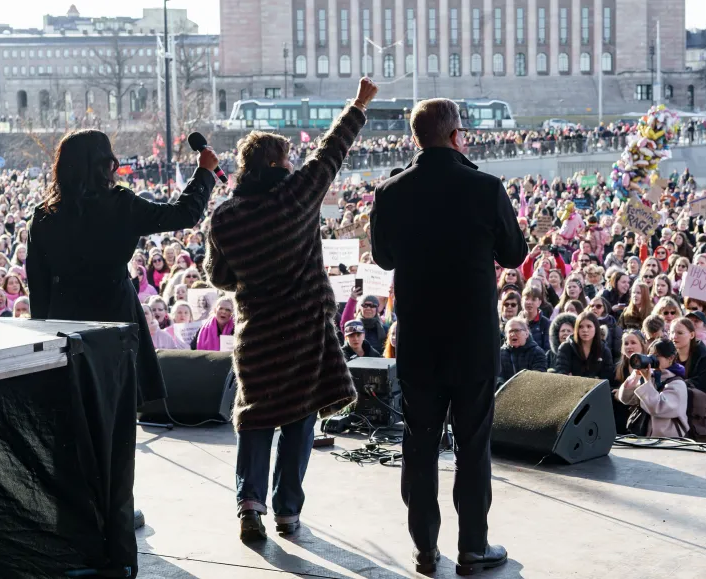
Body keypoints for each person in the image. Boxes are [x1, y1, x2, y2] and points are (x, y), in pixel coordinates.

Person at [204, 78, 376, 543]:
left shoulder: (225, 216)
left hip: (257, 332)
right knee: (300, 415)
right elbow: (330, 153)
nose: (294, 164)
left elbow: (219, 277)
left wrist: (254, 269)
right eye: (287, 159)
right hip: (302, 330)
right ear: (275, 164)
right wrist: (358, 104)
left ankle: (249, 504)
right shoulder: (297, 195)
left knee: (255, 416)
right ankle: (287, 511)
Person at [26, 129, 216, 545]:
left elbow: (36, 286)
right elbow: (183, 214)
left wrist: (45, 337)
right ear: (104, 164)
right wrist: (204, 173)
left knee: (73, 423)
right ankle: (115, 514)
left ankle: (76, 513)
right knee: (116, 426)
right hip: (113, 326)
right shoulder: (120, 205)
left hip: (65, 329)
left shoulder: (43, 216)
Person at [371, 97, 527, 575]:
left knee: (419, 444)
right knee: (472, 446)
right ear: (457, 135)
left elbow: (383, 258)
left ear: (415, 138)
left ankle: (424, 547)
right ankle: (473, 548)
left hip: (419, 341)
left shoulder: (391, 191)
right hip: (472, 341)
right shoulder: (486, 187)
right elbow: (515, 254)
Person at [617, 338, 689, 437]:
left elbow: (658, 408)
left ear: (671, 358)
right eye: (650, 355)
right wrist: (635, 377)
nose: (652, 359)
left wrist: (647, 381)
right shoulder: (652, 377)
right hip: (646, 438)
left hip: (669, 440)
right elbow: (625, 399)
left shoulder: (677, 384)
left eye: (656, 355)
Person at [554, 311, 615, 385]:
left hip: (596, 391)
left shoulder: (604, 350)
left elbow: (607, 380)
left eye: (589, 326)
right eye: (580, 327)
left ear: (596, 328)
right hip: (571, 389)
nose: (585, 330)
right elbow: (561, 376)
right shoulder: (566, 348)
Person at [613, 330, 648, 433]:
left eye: (633, 343)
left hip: (641, 419)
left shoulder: (649, 367)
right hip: (621, 418)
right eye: (626, 343)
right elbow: (611, 387)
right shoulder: (618, 368)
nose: (629, 346)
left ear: (642, 345)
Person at [670, 317, 706, 395]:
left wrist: (677, 384)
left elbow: (704, 386)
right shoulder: (668, 354)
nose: (674, 336)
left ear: (692, 335)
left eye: (680, 333)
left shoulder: (704, 357)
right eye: (672, 332)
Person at [498, 317, 547, 384]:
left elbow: (538, 378)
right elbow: (498, 378)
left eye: (516, 330)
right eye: (510, 331)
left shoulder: (537, 353)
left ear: (526, 333)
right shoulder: (500, 354)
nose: (513, 334)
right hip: (506, 389)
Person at [521, 286, 551, 350]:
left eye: (533, 300)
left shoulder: (546, 323)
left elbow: (547, 349)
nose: (529, 302)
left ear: (539, 302)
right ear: (521, 301)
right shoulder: (515, 322)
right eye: (526, 299)